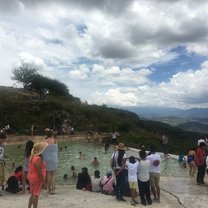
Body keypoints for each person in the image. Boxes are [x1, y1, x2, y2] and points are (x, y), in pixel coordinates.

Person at [28, 142, 47, 208]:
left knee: (33, 193)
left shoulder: (32, 156)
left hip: (32, 176)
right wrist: (43, 181)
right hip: (37, 178)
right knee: (36, 195)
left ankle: (29, 206)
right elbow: (39, 171)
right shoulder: (38, 159)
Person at [42, 129, 58, 194]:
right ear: (52, 135)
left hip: (47, 159)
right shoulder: (54, 140)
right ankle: (53, 189)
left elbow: (43, 151)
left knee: (48, 174)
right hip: (54, 158)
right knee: (53, 174)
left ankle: (49, 190)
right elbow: (56, 149)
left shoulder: (45, 141)